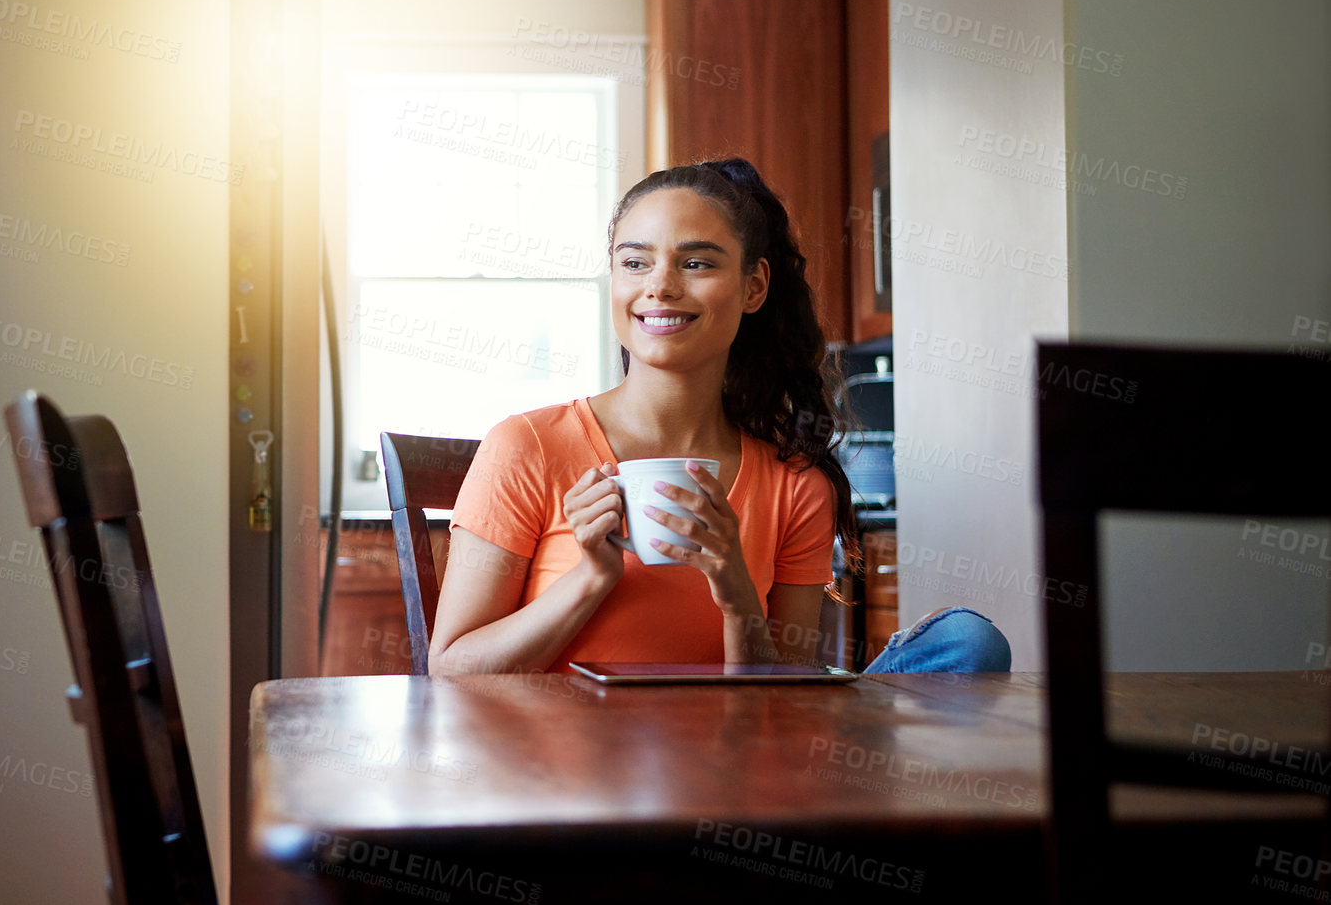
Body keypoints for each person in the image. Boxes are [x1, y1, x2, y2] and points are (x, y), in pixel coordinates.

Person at [427, 158, 1011, 676]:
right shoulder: (526, 447)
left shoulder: (796, 483)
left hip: (730, 774)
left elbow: (779, 707)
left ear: (753, 287)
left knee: (967, 642)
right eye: (634, 262)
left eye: (698, 264)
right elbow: (452, 668)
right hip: (570, 779)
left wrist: (736, 594)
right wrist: (591, 577)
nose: (659, 286)